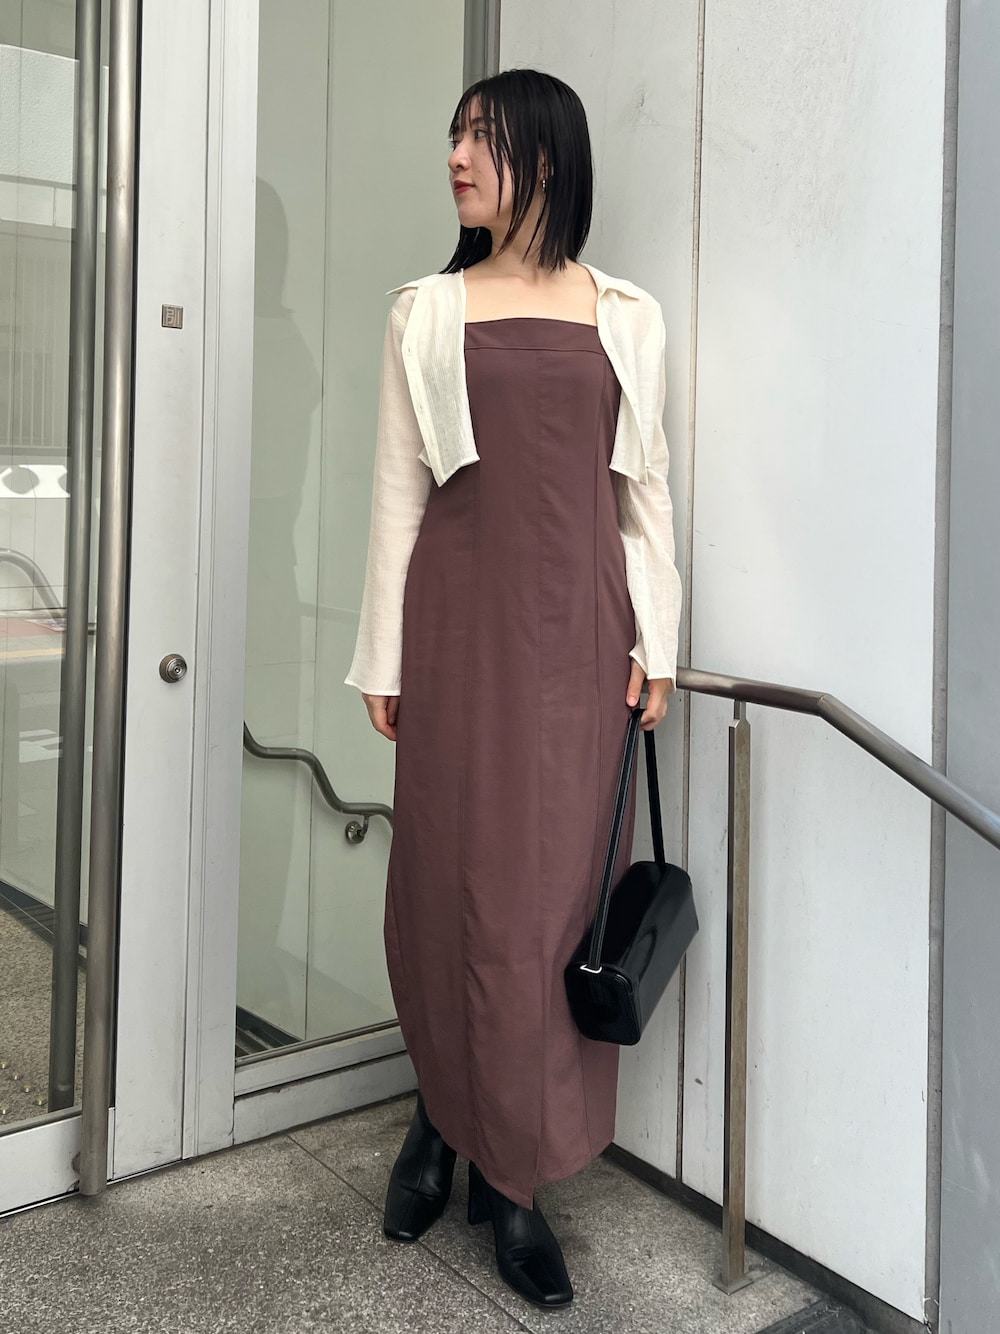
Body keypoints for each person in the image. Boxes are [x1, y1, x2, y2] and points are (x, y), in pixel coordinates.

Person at [344, 68, 682, 1309]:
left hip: (582, 646)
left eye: (478, 137)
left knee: (548, 911)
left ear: (546, 155)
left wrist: (658, 642)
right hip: (457, 634)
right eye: (452, 136)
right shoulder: (425, 310)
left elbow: (643, 491)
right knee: (448, 891)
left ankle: (514, 1179)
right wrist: (385, 656)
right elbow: (399, 491)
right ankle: (442, 1113)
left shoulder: (625, 314)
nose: (454, 157)